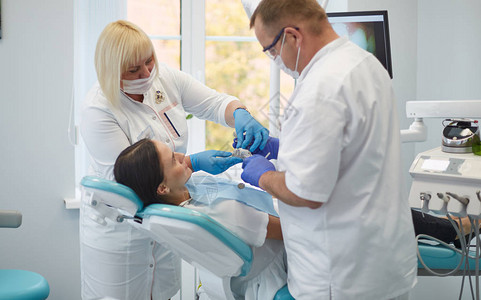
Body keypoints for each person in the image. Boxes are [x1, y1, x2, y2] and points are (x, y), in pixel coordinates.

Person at [238, 0, 418, 299]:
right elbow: (353, 149)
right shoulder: (366, 63)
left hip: (340, 275)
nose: (274, 59)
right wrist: (285, 150)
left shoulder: (320, 88)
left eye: (270, 50)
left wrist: (263, 175)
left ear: (292, 36)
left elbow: (306, 192)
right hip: (383, 263)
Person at [79, 20, 268, 300]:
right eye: (133, 70)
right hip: (120, 232)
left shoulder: (163, 78)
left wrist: (240, 113)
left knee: (164, 293)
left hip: (167, 224)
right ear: (111, 72)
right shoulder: (99, 109)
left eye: (149, 61)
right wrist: (191, 163)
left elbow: (215, 103)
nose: (146, 72)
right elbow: (130, 185)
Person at [113, 138, 287, 300]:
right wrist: (268, 178)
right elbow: (288, 230)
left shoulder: (184, 198)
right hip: (282, 258)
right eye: (174, 159)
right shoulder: (224, 210)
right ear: (163, 188)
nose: (184, 157)